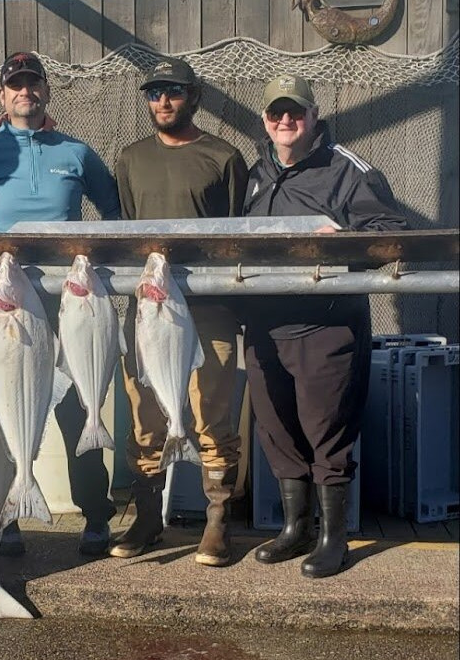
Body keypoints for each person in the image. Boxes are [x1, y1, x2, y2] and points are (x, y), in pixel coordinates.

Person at [244, 74, 407, 578]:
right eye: (276, 113)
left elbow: (392, 233)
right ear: (265, 121)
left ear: (314, 116)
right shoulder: (256, 173)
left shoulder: (349, 171)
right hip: (266, 329)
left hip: (328, 327)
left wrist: (345, 240)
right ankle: (296, 528)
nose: (285, 121)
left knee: (327, 434)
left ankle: (334, 537)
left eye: (295, 112)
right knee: (277, 431)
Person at [0, 52, 121, 556]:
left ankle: (95, 516)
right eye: (15, 85)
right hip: (4, 305)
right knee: (4, 409)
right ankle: (7, 517)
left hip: (66, 303)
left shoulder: (77, 153)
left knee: (78, 405)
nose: (24, 91)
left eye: (33, 83)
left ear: (47, 92)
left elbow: (113, 211)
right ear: (1, 96)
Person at [111, 56, 248, 567]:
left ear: (194, 97)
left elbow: (234, 232)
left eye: (172, 91)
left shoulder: (223, 155)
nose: (163, 101)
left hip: (207, 306)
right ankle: (148, 519)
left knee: (210, 411)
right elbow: (126, 226)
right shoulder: (130, 158)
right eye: (154, 92)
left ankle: (217, 523)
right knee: (145, 414)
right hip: (147, 308)